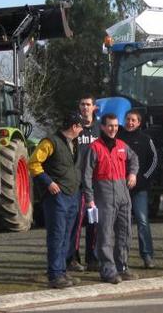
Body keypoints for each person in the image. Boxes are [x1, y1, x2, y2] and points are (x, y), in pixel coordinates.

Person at [29, 112, 85, 289]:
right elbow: (33, 164)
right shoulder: (49, 142)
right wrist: (49, 182)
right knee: (57, 235)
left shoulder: (74, 144)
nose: (82, 130)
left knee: (67, 235)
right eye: (81, 127)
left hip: (72, 195)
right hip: (57, 196)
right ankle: (54, 274)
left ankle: (62, 271)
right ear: (75, 127)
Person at [83, 113, 139, 283]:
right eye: (110, 125)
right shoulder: (95, 148)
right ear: (102, 127)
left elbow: (134, 159)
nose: (113, 129)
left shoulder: (122, 145)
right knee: (105, 233)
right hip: (104, 193)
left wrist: (133, 174)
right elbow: (86, 175)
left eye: (115, 126)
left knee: (125, 232)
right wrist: (89, 198)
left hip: (123, 192)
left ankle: (122, 267)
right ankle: (108, 269)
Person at [117, 110, 158, 269]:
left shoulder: (146, 139)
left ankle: (147, 255)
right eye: (127, 119)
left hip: (139, 189)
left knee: (142, 221)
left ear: (139, 123)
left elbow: (154, 161)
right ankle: (120, 258)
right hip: (120, 188)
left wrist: (142, 179)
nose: (130, 122)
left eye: (133, 120)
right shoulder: (118, 139)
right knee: (120, 224)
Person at [67, 95, 100, 272]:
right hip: (78, 183)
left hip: (95, 184)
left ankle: (92, 258)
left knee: (94, 222)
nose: (85, 107)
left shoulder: (99, 129)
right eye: (82, 104)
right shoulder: (75, 128)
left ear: (94, 107)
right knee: (77, 223)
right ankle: (72, 258)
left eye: (88, 104)